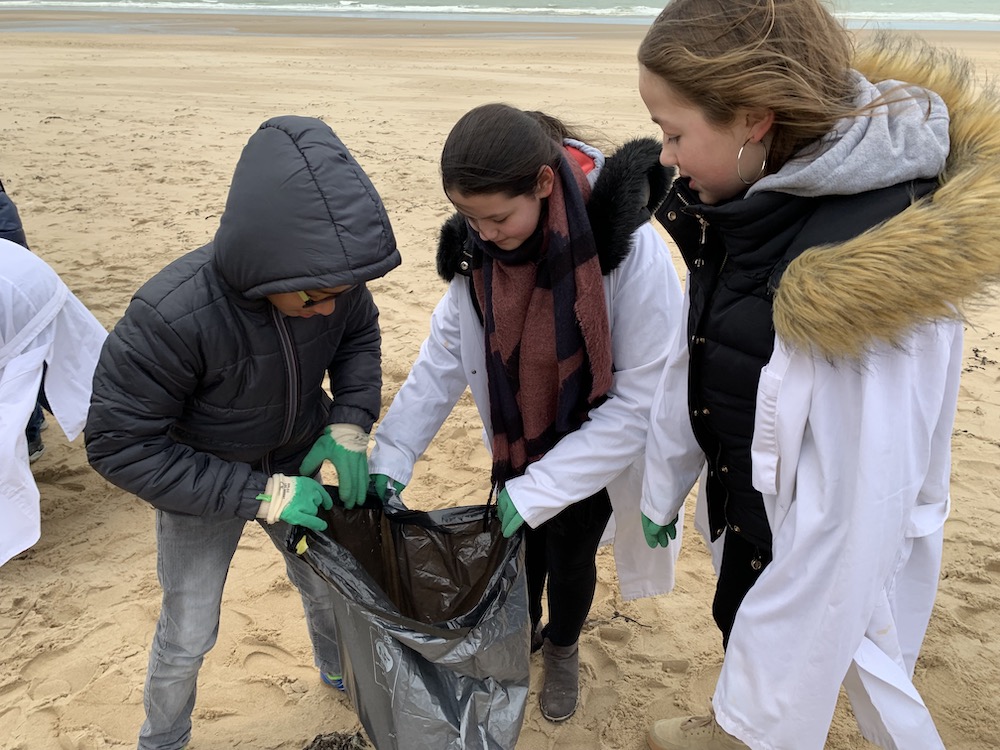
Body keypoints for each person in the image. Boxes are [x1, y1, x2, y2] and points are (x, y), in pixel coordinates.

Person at [635, 1, 1000, 748]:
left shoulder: (863, 277)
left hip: (809, 542)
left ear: (754, 120)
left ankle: (741, 731)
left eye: (674, 134)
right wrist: (666, 478)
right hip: (747, 498)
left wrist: (753, 717)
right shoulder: (745, 201)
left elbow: (851, 524)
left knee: (814, 655)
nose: (666, 157)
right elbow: (699, 343)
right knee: (742, 610)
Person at [85, 115, 401, 750]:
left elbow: (358, 337)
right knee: (188, 629)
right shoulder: (170, 316)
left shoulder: (333, 279)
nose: (328, 307)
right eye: (313, 298)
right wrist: (261, 494)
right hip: (201, 487)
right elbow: (118, 445)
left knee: (327, 587)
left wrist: (349, 419)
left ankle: (338, 673)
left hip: (298, 459)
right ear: (267, 269)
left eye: (340, 292)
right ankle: (163, 739)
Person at [368, 103, 685, 723]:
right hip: (518, 437)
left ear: (543, 184)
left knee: (570, 555)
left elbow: (641, 398)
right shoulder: (475, 252)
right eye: (469, 217)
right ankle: (525, 628)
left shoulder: (626, 249)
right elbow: (445, 355)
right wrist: (395, 452)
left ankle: (562, 645)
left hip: (593, 440)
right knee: (521, 549)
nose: (484, 234)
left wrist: (544, 487)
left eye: (497, 217)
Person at [0, 238, 107, 566]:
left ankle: (156, 449)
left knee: (87, 389)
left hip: (24, 295)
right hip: (22, 280)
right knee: (85, 385)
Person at [1, 179, 49, 462]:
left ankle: (30, 436)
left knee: (14, 364)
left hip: (11, 294)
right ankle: (34, 423)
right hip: (16, 289)